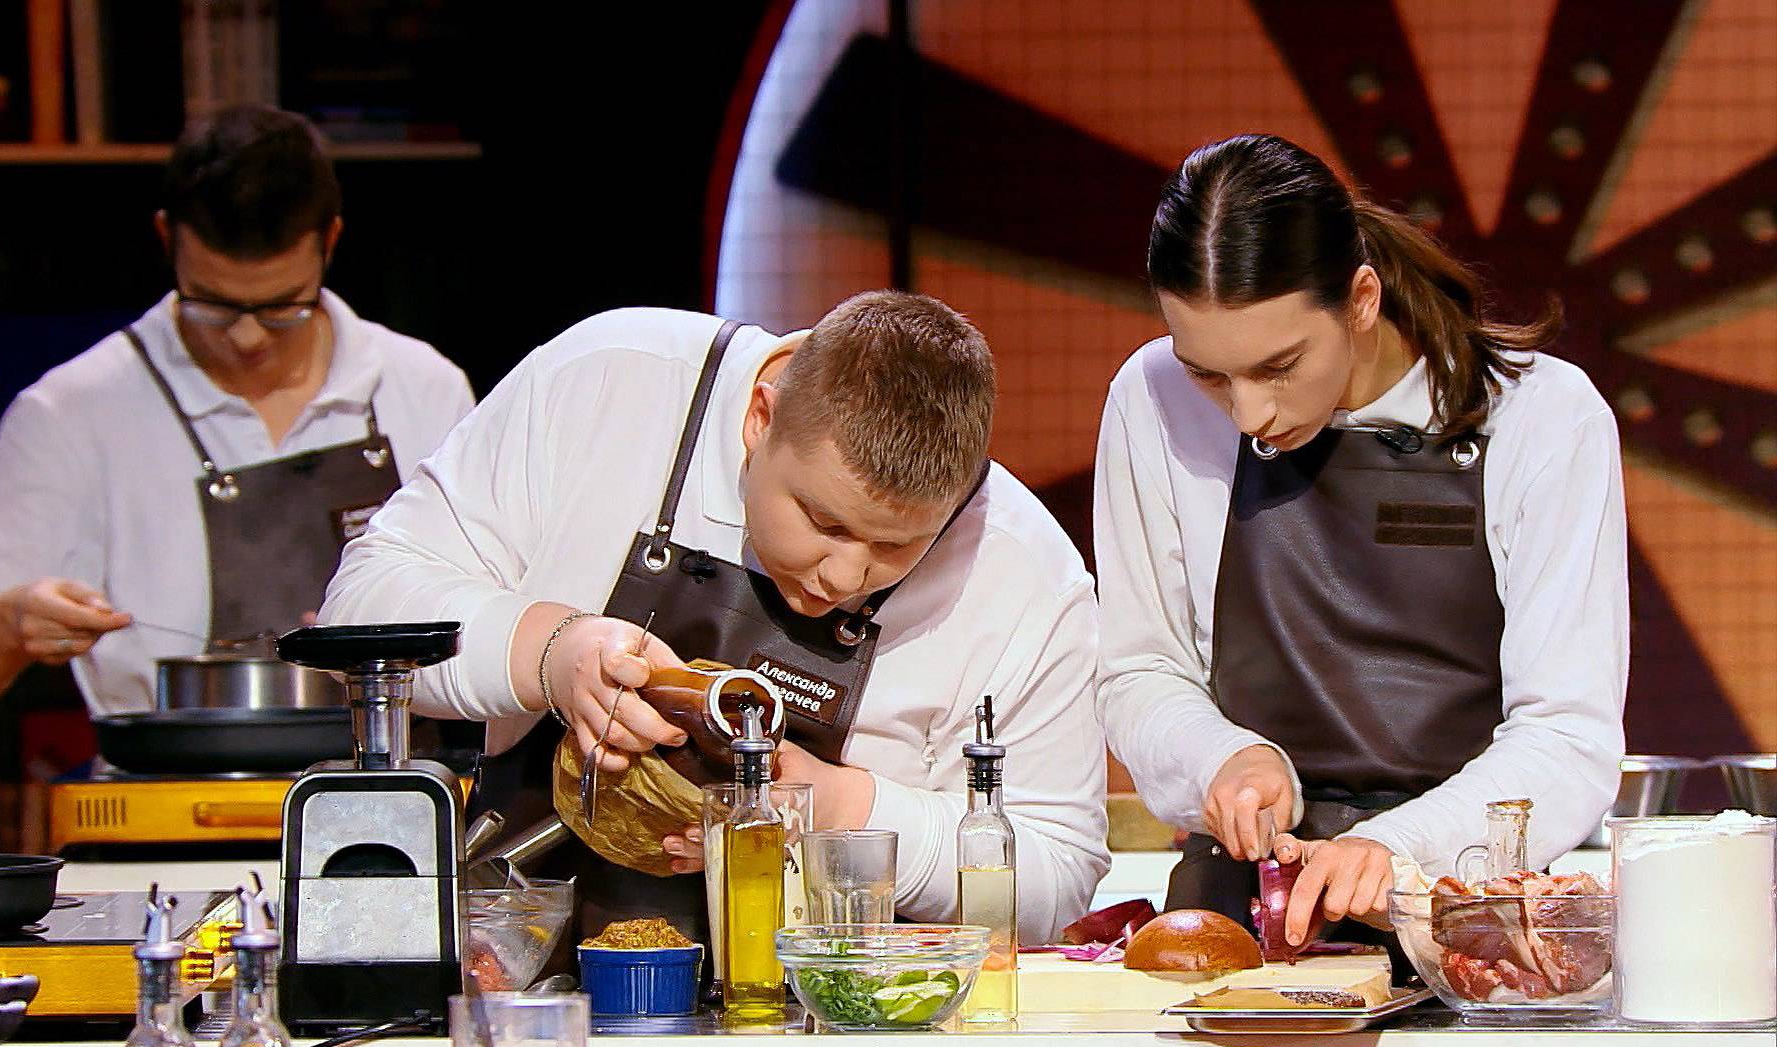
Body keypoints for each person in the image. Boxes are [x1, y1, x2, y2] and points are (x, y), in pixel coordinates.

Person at [321, 292, 1109, 944]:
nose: (842, 577)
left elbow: (1057, 879)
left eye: (897, 547)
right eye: (824, 522)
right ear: (761, 417)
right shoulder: (614, 381)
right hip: (526, 971)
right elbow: (359, 610)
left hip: (844, 1029)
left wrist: (838, 808)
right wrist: (553, 651)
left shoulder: (1022, 571)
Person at [1095, 134, 1626, 950]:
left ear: (1363, 298)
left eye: (1279, 366)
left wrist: (1395, 848)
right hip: (1240, 921)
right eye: (1209, 373)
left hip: (1463, 915)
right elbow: (1140, 670)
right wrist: (1223, 760)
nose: (1250, 413)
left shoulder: (1544, 417)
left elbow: (1567, 737)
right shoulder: (1151, 397)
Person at [0, 105, 474, 720]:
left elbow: (495, 633)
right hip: (167, 779)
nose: (248, 338)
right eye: (214, 306)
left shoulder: (424, 388)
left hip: (391, 774)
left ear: (329, 241)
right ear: (166, 238)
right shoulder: (72, 411)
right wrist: (8, 622)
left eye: (282, 307)